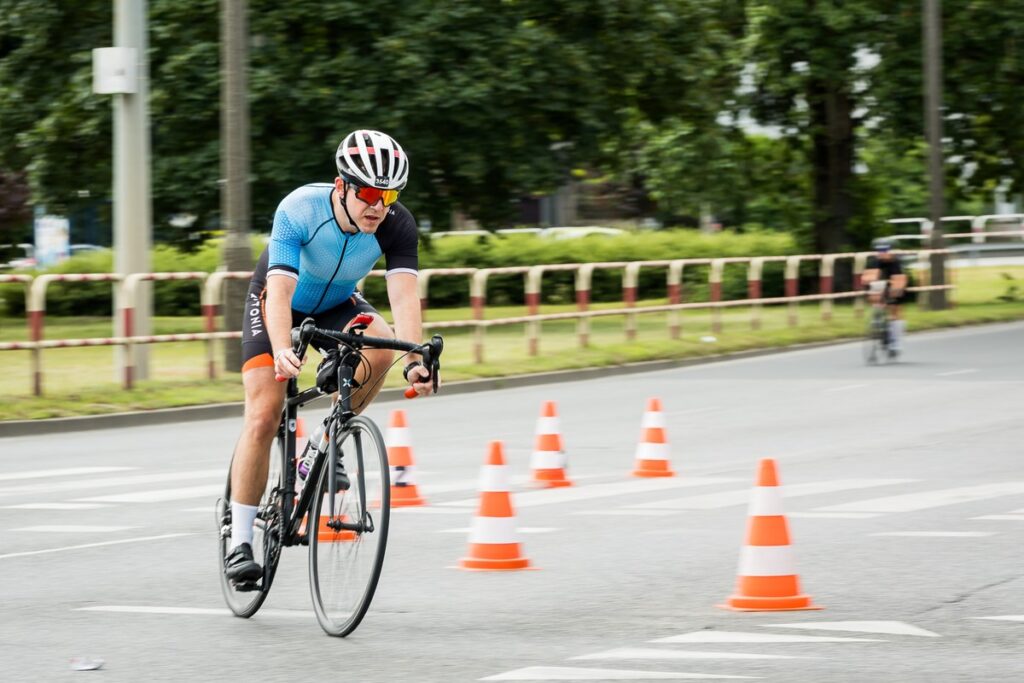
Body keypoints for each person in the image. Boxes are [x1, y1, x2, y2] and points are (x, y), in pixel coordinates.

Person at [225, 129, 434, 583]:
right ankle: (240, 539)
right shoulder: (299, 209)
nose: (379, 205)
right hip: (278, 301)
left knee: (383, 345)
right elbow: (279, 292)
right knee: (264, 413)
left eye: (390, 194)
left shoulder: (397, 224)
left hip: (337, 301)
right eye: (368, 194)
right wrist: (282, 349)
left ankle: (324, 443)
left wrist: (416, 360)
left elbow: (403, 298)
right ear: (341, 186)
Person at [861, 239, 908, 357]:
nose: (882, 253)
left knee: (895, 308)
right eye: (879, 250)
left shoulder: (896, 262)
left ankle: (896, 341)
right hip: (881, 283)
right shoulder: (874, 261)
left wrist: (893, 294)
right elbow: (868, 278)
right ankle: (876, 320)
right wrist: (872, 291)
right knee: (875, 295)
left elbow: (899, 281)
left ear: (892, 251)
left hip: (895, 281)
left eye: (885, 250)